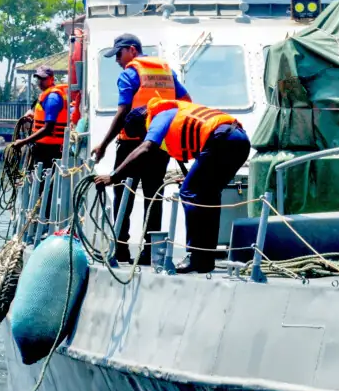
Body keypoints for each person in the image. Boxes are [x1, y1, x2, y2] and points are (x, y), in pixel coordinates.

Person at [96, 99, 250, 273]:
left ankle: (196, 256)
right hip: (239, 139)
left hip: (221, 140)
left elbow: (146, 148)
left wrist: (113, 176)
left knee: (190, 193)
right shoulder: (175, 112)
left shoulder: (159, 117)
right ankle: (205, 258)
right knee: (209, 195)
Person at [90, 34, 189, 263]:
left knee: (123, 191)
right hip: (159, 143)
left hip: (132, 144)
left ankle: (121, 248)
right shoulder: (167, 73)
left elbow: (123, 112)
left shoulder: (129, 74)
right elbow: (185, 101)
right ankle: (149, 252)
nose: (117, 60)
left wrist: (103, 145)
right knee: (154, 194)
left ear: (132, 50)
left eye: (119, 54)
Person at [21, 65, 71, 168]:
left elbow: (48, 128)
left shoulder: (52, 98)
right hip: (42, 147)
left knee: (44, 179)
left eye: (43, 78)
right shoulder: (46, 95)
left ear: (51, 79)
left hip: (50, 150)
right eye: (38, 78)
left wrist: (23, 141)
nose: (40, 81)